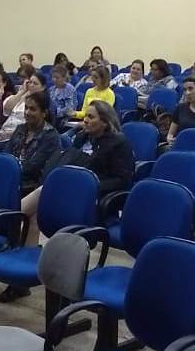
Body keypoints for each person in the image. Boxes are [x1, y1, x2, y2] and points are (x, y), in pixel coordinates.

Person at [18, 100, 133, 247]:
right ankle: (29, 251)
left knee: (45, 191)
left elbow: (122, 180)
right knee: (34, 214)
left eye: (91, 117)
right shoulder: (82, 137)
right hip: (71, 188)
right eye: (85, 116)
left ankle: (11, 217)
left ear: (105, 122)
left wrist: (88, 186)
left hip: (95, 196)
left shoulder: (118, 143)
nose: (85, 120)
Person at [3, 90, 61, 194]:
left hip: (32, 186)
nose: (27, 112)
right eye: (26, 108)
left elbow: (33, 167)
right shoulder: (20, 129)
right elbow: (6, 153)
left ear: (44, 113)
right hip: (11, 176)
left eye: (32, 109)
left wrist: (10, 170)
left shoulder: (50, 136)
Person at [0, 72, 46, 143]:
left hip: (18, 137)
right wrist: (22, 91)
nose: (31, 85)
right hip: (4, 131)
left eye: (35, 83)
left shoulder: (41, 103)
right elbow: (7, 109)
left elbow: (32, 129)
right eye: (30, 82)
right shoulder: (23, 97)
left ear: (43, 87)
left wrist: (12, 134)